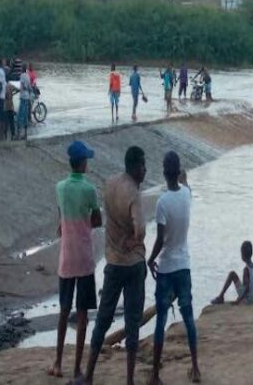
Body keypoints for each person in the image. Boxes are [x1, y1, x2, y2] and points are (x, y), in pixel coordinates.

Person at [81, 146, 147, 385]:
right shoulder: (134, 194)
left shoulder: (109, 184)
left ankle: (88, 375)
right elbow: (140, 228)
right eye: (143, 166)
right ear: (134, 167)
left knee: (103, 318)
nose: (145, 170)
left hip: (113, 261)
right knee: (132, 321)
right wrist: (134, 240)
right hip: (133, 264)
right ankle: (129, 380)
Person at [48, 141, 102, 380]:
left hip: (67, 258)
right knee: (82, 315)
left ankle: (58, 362)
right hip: (85, 258)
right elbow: (98, 220)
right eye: (86, 160)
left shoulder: (60, 187)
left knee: (63, 310)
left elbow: (60, 220)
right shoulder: (90, 190)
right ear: (81, 163)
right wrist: (87, 219)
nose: (87, 163)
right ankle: (78, 367)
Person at [147, 152, 201, 384]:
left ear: (164, 172)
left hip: (167, 265)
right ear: (178, 172)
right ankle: (196, 368)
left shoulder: (162, 203)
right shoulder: (187, 194)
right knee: (188, 318)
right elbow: (187, 185)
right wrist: (184, 176)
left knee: (160, 320)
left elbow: (160, 239)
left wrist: (150, 260)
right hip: (184, 264)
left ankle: (155, 374)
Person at [16, 66, 31, 140]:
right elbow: (29, 87)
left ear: (22, 69)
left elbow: (22, 86)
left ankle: (18, 135)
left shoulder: (22, 76)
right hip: (27, 97)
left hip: (23, 97)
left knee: (20, 116)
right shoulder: (28, 76)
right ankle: (25, 134)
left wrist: (20, 92)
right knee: (25, 116)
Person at [0, 59, 7, 142]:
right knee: (2, 116)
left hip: (0, 97)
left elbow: (0, 85)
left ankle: (0, 135)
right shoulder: (2, 72)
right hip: (2, 96)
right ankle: (2, 135)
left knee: (0, 117)